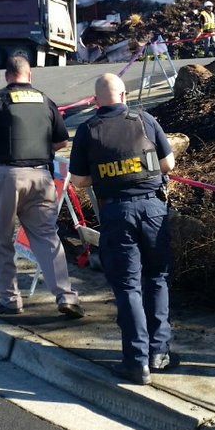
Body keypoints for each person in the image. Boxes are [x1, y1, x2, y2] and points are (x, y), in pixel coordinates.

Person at [69, 73, 176, 385]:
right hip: (154, 209)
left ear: (95, 100)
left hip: (117, 212)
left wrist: (107, 175)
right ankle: (159, 352)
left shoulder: (88, 130)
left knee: (128, 286)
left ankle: (136, 362)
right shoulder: (144, 119)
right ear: (124, 95)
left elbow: (79, 180)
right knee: (157, 278)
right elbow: (168, 163)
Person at [0, 55, 84, 319]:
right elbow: (60, 143)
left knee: (1, 241)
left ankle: (11, 301)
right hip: (42, 179)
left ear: (7, 76)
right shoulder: (45, 100)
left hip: (6, 177)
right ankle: (66, 297)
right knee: (47, 239)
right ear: (29, 76)